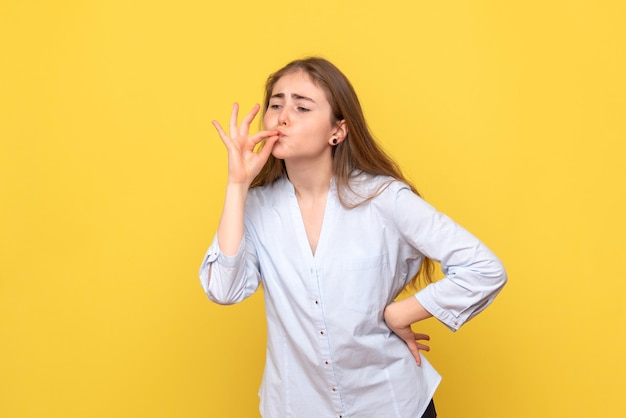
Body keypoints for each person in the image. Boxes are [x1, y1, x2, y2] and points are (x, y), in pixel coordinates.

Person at [199, 57, 507, 418]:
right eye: (276, 104)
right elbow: (223, 289)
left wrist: (400, 312)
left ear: (338, 131)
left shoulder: (384, 199)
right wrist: (237, 185)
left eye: (301, 106)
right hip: (297, 407)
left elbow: (484, 268)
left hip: (390, 404)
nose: (282, 116)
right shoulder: (255, 207)